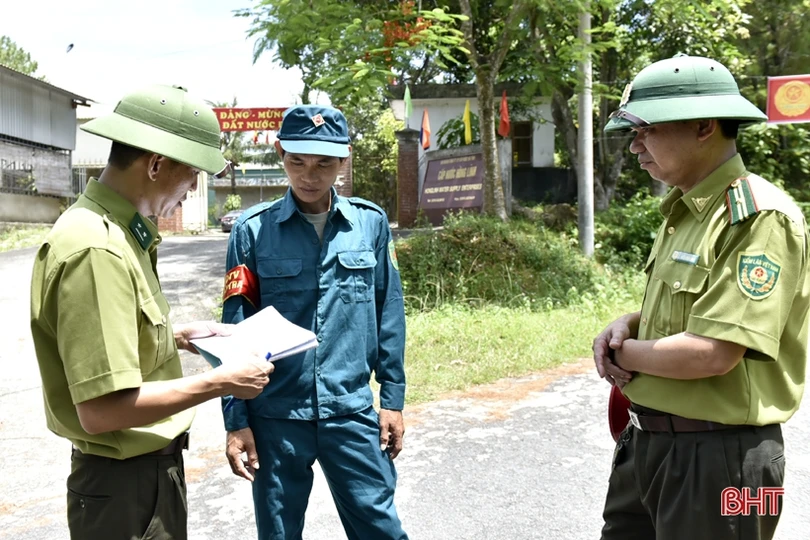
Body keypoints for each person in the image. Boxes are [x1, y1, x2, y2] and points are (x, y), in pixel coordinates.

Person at [29, 84, 275, 540]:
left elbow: (119, 341)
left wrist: (180, 336)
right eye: (193, 173)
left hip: (139, 479)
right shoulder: (97, 249)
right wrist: (221, 382)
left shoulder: (118, 233)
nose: (194, 189)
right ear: (156, 164)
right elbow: (102, 411)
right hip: (126, 487)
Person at [592, 53, 810, 540]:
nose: (635, 147)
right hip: (649, 444)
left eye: (646, 129)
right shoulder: (686, 210)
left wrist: (618, 351)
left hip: (721, 459)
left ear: (705, 125)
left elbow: (713, 352)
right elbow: (686, 313)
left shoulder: (757, 216)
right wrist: (630, 322)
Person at [221, 104, 408, 540]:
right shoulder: (251, 231)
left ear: (343, 161)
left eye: (324, 162)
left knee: (381, 528)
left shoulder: (369, 224)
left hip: (350, 411)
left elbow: (389, 312)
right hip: (276, 416)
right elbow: (234, 330)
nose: (309, 175)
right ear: (281, 153)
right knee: (279, 533)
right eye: (298, 161)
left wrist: (393, 399)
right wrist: (236, 420)